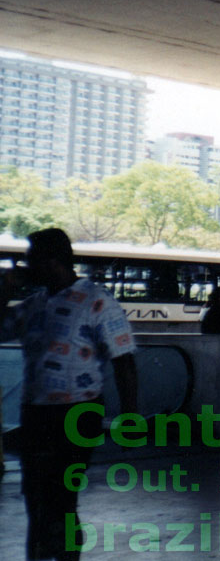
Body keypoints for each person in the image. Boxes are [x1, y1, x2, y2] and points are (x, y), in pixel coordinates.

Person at [0, 228, 138, 561]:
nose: (25, 266)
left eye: (31, 259)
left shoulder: (97, 301)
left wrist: (130, 415)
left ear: (52, 261)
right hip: (36, 414)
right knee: (35, 493)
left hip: (78, 414)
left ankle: (64, 556)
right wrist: (3, 292)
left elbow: (125, 361)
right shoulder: (35, 303)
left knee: (61, 495)